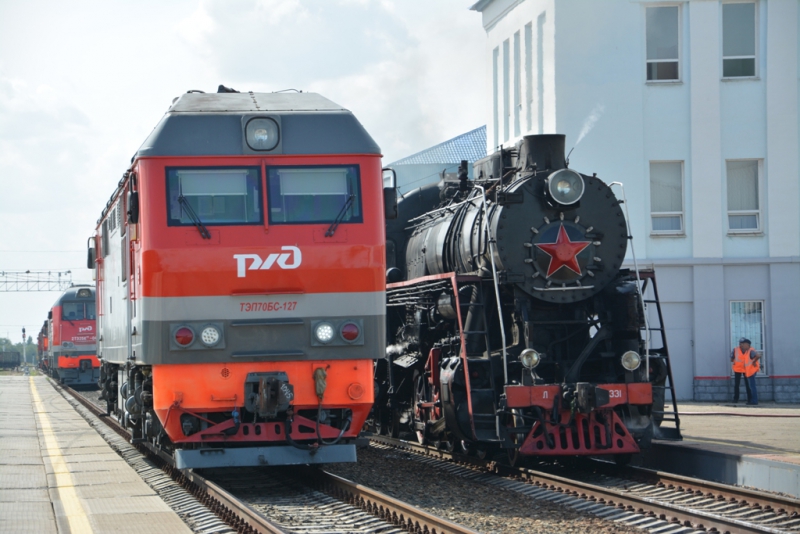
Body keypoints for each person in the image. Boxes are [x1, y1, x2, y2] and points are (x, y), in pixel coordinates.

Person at [730, 338, 756, 404]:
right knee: (736, 385)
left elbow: (754, 357)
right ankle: (735, 399)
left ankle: (750, 399)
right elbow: (731, 358)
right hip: (737, 369)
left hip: (746, 369)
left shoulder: (750, 349)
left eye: (742, 343)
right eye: (740, 343)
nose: (741, 345)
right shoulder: (735, 349)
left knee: (748, 385)